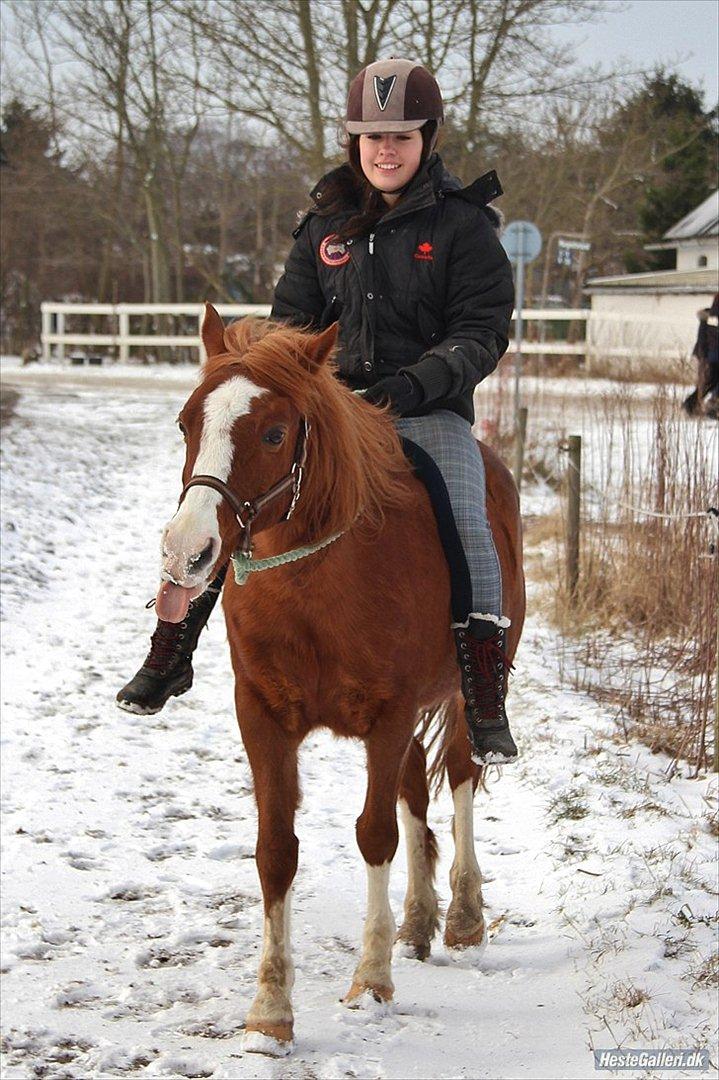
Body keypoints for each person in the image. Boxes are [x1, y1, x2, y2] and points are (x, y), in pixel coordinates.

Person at [117, 57, 518, 765]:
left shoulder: (464, 227)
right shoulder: (323, 226)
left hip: (425, 409)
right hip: (326, 408)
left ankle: (483, 687)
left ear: (426, 139)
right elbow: (290, 320)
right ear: (354, 142)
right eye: (372, 138)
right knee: (228, 487)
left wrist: (408, 388)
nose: (385, 151)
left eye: (401, 137)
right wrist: (271, 371)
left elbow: (480, 332)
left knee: (466, 513)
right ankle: (171, 647)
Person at [683, 292, 719, 417]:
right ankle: (710, 406)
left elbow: (704, 334)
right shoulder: (712, 315)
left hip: (710, 351)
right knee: (711, 381)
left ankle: (691, 405)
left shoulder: (710, 314)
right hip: (713, 351)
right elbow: (709, 334)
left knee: (711, 381)